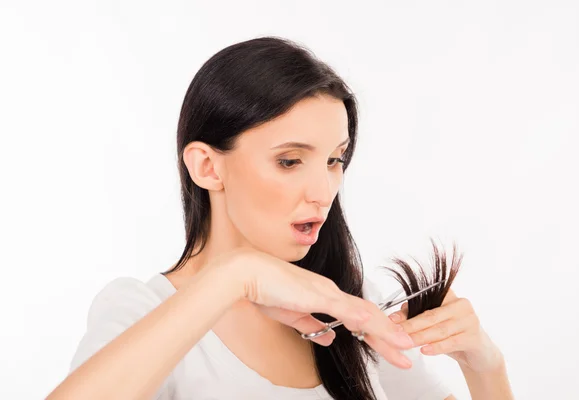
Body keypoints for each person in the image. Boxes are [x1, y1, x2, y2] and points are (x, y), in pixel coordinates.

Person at [47, 36, 513, 400]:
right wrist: (235, 277)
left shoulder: (351, 310)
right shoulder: (140, 311)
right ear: (207, 166)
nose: (324, 191)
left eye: (335, 160)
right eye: (290, 161)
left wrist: (484, 365)